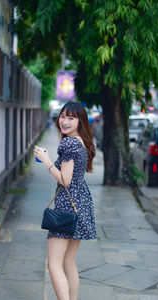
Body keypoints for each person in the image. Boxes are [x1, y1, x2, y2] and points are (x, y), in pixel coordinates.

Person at [34, 101, 97, 300]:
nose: (65, 121)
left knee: (54, 264)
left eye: (71, 118)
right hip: (81, 203)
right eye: (63, 116)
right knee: (68, 262)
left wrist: (46, 161)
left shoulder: (68, 143)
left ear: (80, 121)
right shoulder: (81, 141)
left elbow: (65, 180)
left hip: (67, 207)